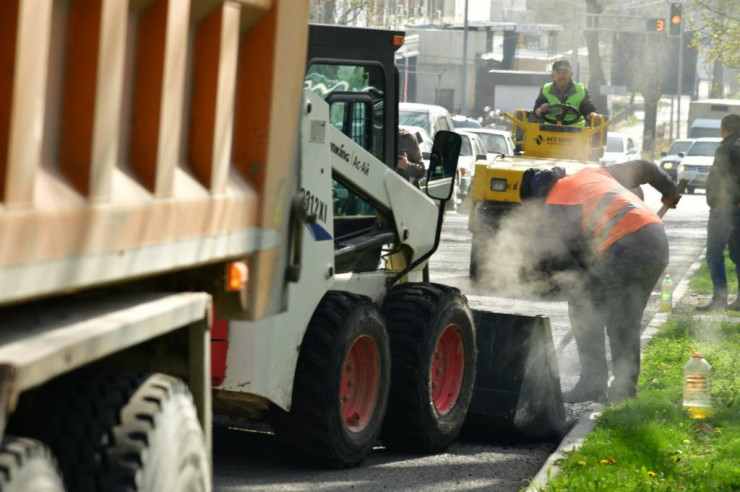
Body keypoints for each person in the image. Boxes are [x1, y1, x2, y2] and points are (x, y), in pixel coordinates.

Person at [519, 160, 680, 404]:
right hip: (655, 241)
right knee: (624, 320)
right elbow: (646, 167)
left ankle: (592, 384)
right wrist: (669, 190)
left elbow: (580, 259)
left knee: (582, 304)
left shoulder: (557, 203)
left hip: (626, 244)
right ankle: (624, 392)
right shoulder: (593, 173)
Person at [696, 113, 740, 311]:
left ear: (723, 129)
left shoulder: (725, 148)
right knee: (738, 254)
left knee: (714, 254)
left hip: (724, 208)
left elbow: (722, 178)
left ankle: (720, 298)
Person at [533, 59, 597, 126]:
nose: (562, 76)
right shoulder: (545, 89)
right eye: (558, 73)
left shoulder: (581, 90)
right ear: (553, 75)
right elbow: (536, 112)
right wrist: (541, 109)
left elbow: (588, 110)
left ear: (571, 74)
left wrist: (591, 115)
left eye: (565, 72)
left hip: (576, 132)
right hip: (549, 131)